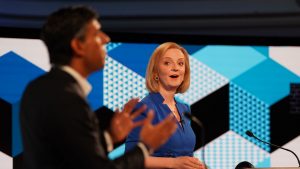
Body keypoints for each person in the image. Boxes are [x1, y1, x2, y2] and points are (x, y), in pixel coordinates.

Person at [20, 6, 177, 169]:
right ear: (78, 46)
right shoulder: (67, 98)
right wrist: (145, 147)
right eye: (96, 34)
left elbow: (69, 156)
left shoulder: (38, 88)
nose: (106, 39)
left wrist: (110, 136)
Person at [125, 42, 205, 169]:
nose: (176, 68)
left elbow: (184, 155)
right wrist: (173, 163)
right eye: (167, 63)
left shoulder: (184, 109)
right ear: (155, 72)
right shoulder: (144, 109)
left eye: (180, 63)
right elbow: (131, 160)